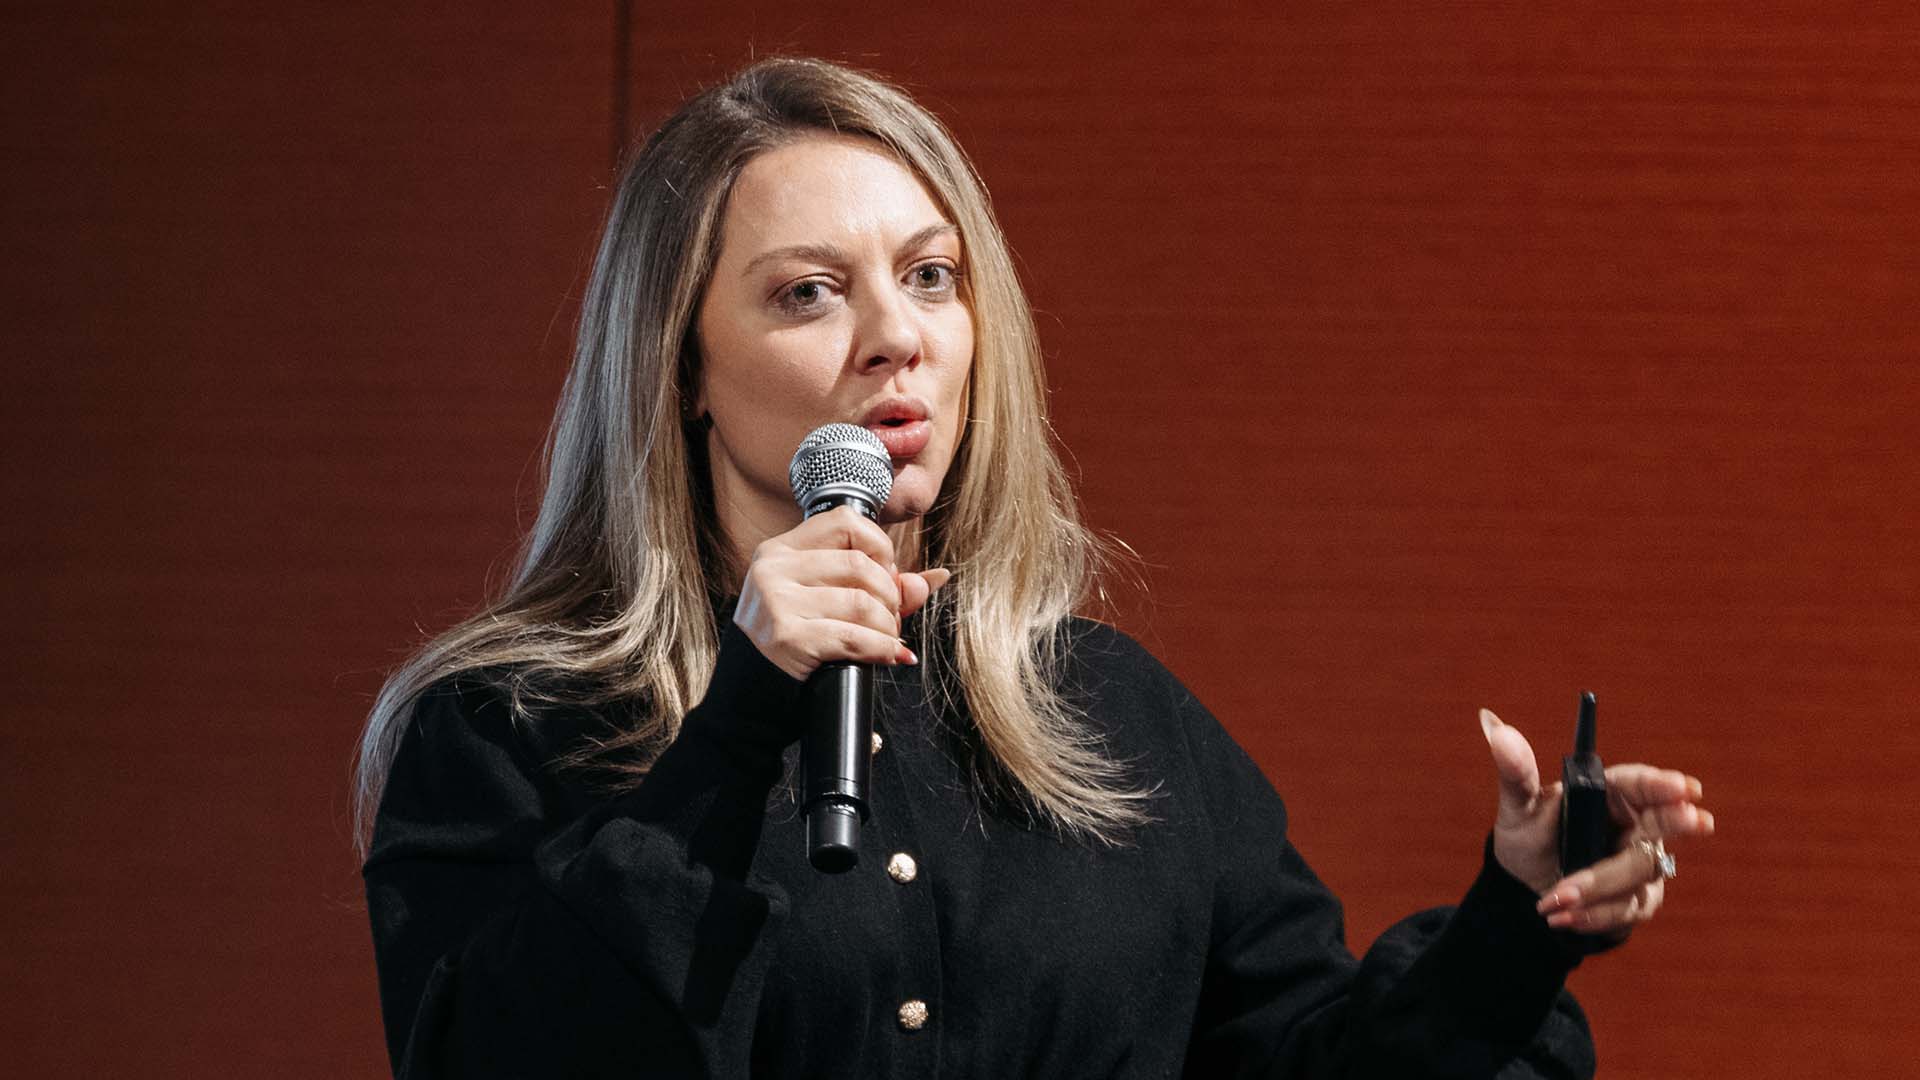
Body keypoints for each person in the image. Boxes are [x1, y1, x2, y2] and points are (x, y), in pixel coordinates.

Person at [355, 57, 1714, 1079]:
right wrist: (740, 724)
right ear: (682, 368)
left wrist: (1513, 922)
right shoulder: (508, 726)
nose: (897, 337)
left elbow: (1308, 1058)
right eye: (807, 291)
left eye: (930, 276)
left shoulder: (1109, 712)